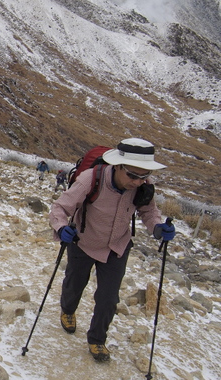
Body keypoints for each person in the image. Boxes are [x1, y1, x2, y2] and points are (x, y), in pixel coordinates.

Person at [49, 138, 176, 362]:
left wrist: (158, 228)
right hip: (84, 241)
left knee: (108, 298)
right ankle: (68, 310)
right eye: (132, 175)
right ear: (117, 166)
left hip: (117, 246)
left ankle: (97, 339)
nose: (137, 182)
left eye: (143, 176)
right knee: (74, 284)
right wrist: (60, 228)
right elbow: (61, 206)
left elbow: (148, 212)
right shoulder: (91, 179)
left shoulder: (143, 186)